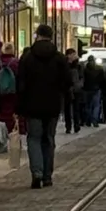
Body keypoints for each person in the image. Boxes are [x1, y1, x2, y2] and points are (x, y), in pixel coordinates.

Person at [16, 24, 70, 189]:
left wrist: (19, 107)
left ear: (37, 35)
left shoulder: (27, 57)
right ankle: (47, 175)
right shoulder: (59, 58)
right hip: (52, 104)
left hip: (32, 105)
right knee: (49, 139)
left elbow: (20, 84)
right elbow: (67, 83)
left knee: (34, 138)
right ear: (51, 36)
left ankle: (37, 172)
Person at [64, 50, 85, 134]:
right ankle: (68, 126)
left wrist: (80, 85)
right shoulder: (65, 65)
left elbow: (82, 76)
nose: (74, 56)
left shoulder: (78, 65)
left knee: (76, 108)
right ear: (68, 55)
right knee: (67, 109)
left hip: (76, 90)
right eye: (73, 54)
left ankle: (76, 125)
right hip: (67, 89)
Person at [83, 55, 105, 127]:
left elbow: (83, 79)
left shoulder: (85, 69)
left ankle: (88, 120)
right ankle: (95, 120)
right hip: (96, 89)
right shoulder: (99, 69)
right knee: (96, 106)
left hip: (87, 89)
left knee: (88, 106)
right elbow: (102, 80)